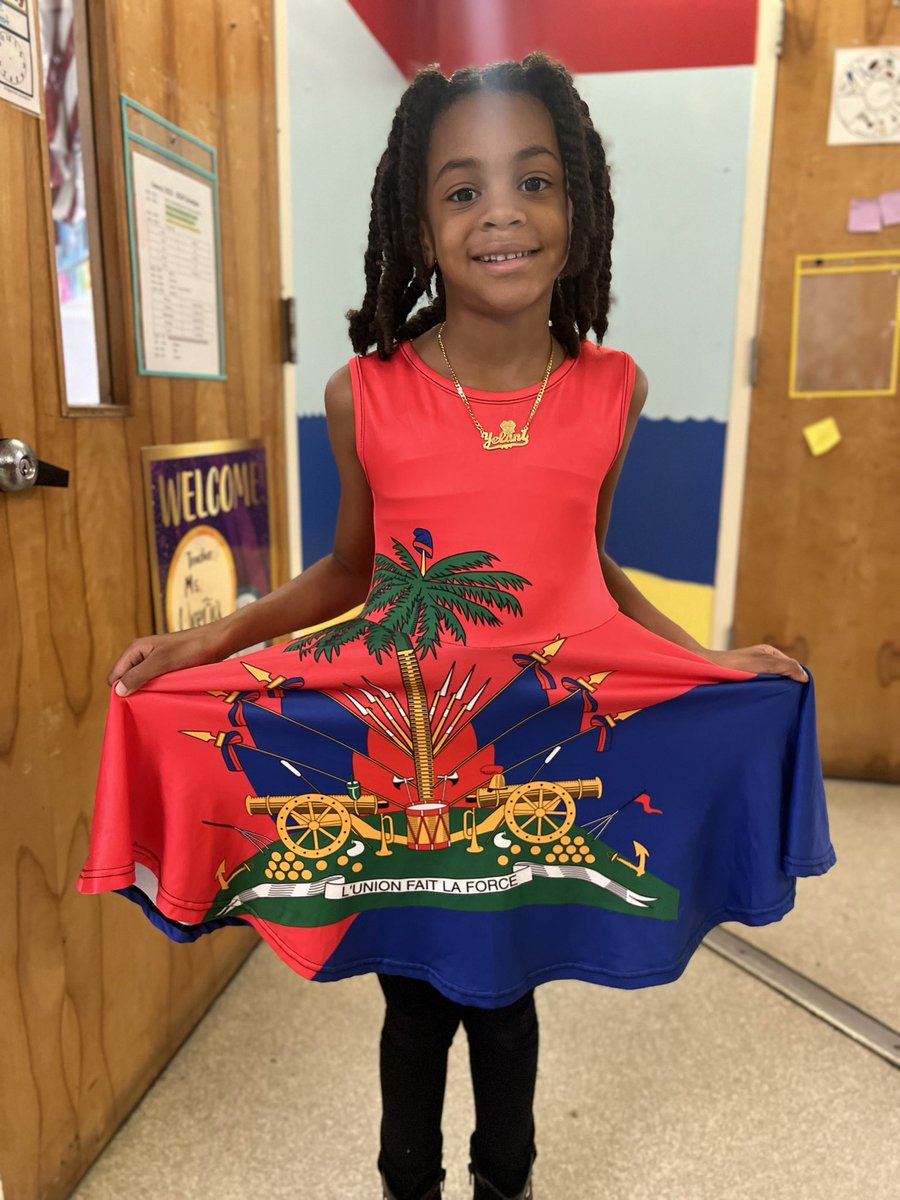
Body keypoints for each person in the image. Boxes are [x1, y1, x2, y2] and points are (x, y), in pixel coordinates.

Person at [80, 54, 835, 1200]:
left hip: (537, 752)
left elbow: (591, 571)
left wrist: (710, 665)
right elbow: (348, 573)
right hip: (407, 767)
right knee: (418, 999)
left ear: (577, 212)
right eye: (463, 189)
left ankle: (505, 1181)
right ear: (417, 223)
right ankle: (407, 1183)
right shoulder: (363, 394)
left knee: (509, 995)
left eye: (534, 183)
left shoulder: (612, 388)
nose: (502, 215)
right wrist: (203, 645)